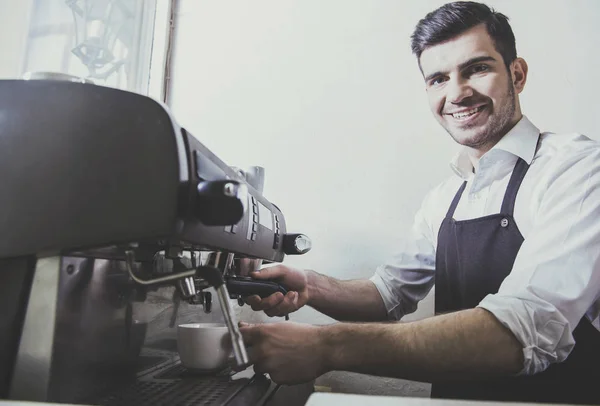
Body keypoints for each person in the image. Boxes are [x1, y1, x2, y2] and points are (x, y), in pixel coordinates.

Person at [238, 1, 600, 404]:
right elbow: (388, 294)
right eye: (439, 79)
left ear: (517, 74)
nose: (458, 93)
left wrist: (327, 347)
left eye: (477, 68)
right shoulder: (445, 197)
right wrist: (311, 286)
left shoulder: (578, 169)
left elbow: (527, 326)